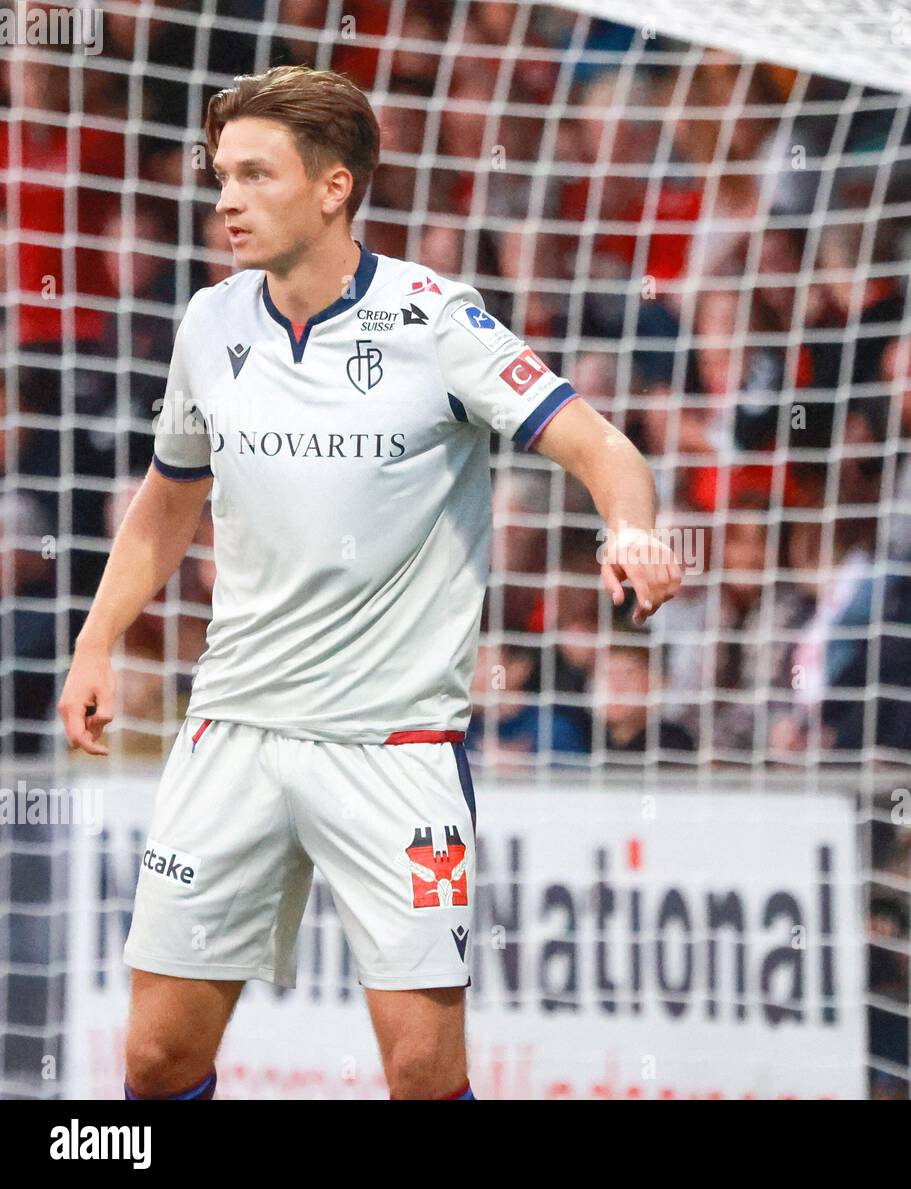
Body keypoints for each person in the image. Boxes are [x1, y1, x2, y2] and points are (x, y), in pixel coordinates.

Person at [55, 65, 682, 1103]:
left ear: (334, 186)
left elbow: (605, 447)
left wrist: (633, 530)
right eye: (222, 175)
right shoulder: (211, 324)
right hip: (236, 731)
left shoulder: (438, 321)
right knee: (156, 1059)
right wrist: (95, 641)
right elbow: (169, 502)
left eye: (256, 176)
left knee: (425, 1072)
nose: (226, 199)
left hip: (393, 750)